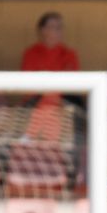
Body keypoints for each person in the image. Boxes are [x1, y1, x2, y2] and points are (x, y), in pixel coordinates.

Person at [20, 12, 81, 143]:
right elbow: (29, 84)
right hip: (36, 101)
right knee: (46, 105)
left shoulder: (69, 54)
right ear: (43, 30)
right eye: (53, 27)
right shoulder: (31, 53)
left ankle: (30, 136)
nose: (58, 31)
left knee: (51, 106)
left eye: (60, 27)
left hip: (62, 101)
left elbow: (71, 83)